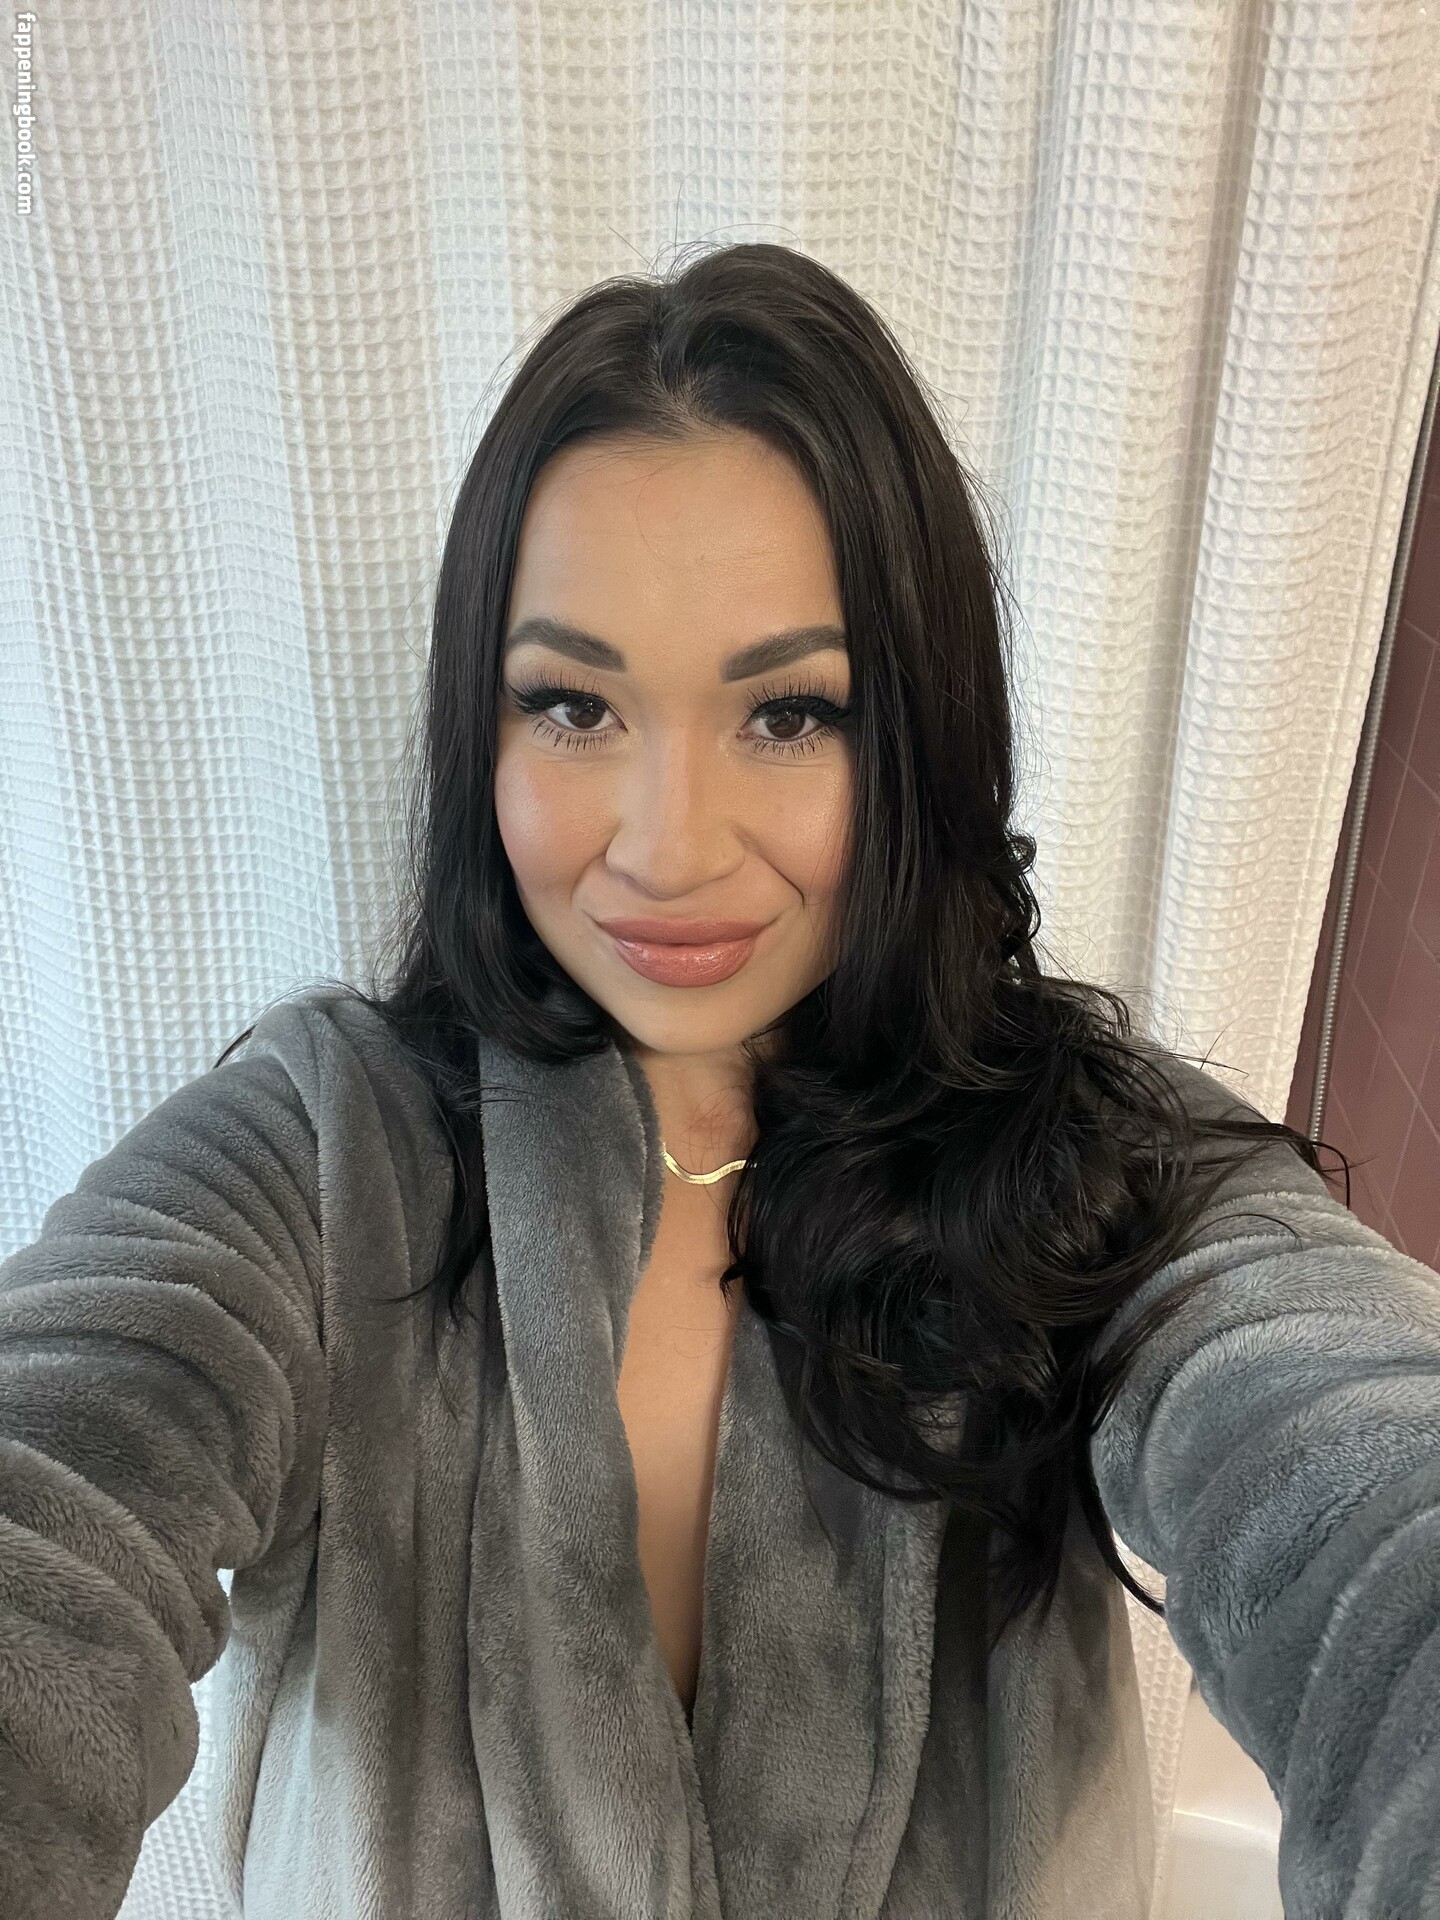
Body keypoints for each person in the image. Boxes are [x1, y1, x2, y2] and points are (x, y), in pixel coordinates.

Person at [3, 242, 1439, 1920]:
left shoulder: (1093, 1163)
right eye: (573, 705)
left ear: (916, 738)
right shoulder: (324, 1161)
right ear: (482, 731)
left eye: (789, 716)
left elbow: (1364, 1484)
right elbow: (61, 1475)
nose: (670, 849)